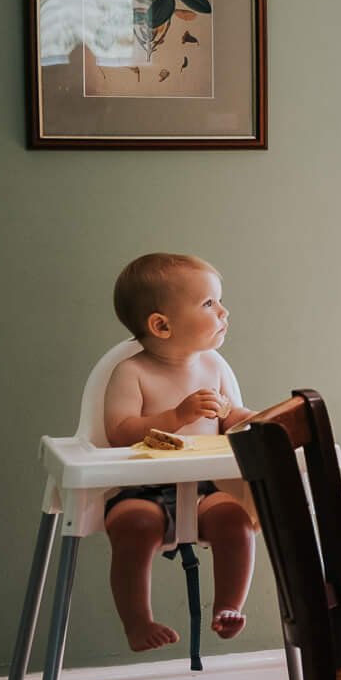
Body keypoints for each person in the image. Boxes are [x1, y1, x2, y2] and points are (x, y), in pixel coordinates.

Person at [101, 252, 256, 652]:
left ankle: (228, 606)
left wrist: (259, 420)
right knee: (133, 528)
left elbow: (229, 418)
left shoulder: (214, 369)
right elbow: (119, 432)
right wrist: (176, 415)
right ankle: (137, 621)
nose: (223, 311)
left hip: (204, 488)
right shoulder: (132, 372)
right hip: (141, 488)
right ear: (161, 325)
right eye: (208, 303)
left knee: (235, 520)